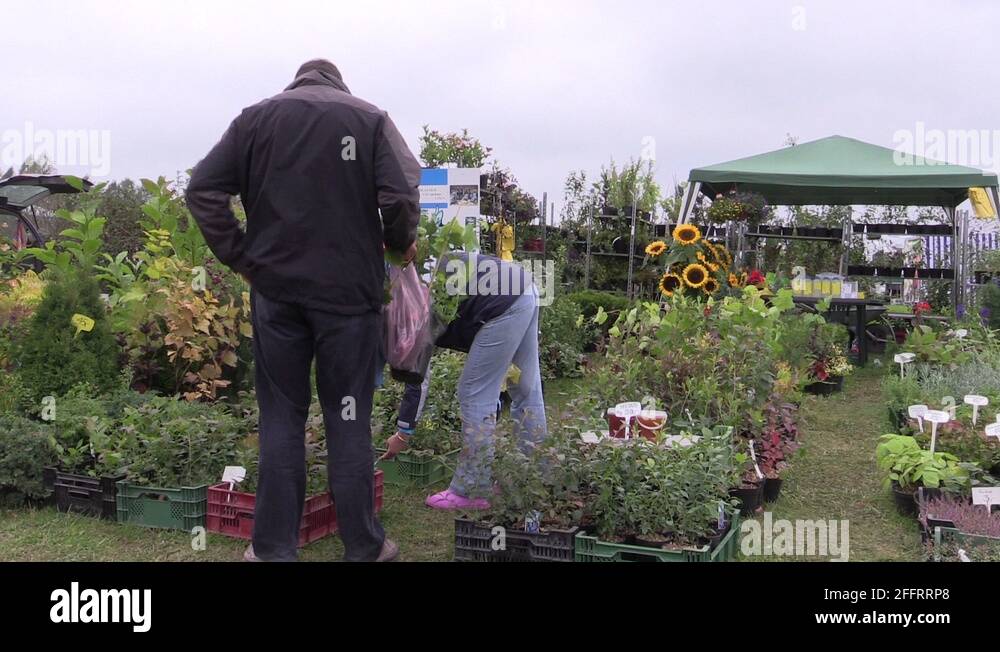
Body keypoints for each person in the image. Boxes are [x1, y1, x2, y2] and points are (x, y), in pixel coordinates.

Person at [186, 59, 420, 562]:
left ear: (297, 81)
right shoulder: (370, 120)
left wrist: (244, 258)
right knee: (347, 417)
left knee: (282, 418)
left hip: (277, 296)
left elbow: (202, 189)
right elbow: (400, 194)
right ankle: (365, 546)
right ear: (339, 83)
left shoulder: (255, 120)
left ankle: (271, 550)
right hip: (349, 300)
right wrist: (398, 243)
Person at [381, 252, 548, 509]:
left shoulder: (409, 298)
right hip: (523, 287)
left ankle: (472, 488)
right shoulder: (417, 266)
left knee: (474, 392)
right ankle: (535, 475)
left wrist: (403, 434)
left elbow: (417, 376)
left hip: (501, 304)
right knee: (526, 387)